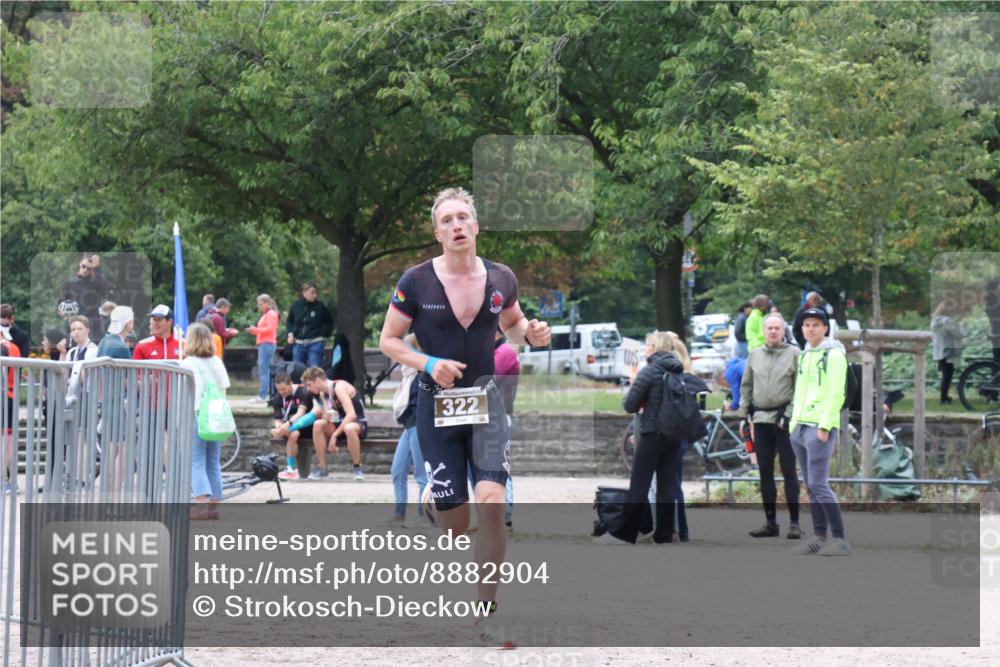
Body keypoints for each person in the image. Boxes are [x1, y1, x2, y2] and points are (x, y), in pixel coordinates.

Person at [378, 186, 550, 644]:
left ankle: (487, 611)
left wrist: (530, 332)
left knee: (492, 505)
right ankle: (437, 497)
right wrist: (429, 363)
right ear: (437, 232)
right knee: (456, 524)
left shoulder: (501, 278)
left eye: (463, 218)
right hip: (434, 404)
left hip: (485, 401)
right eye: (448, 220)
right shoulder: (414, 282)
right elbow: (389, 341)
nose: (457, 226)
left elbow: (512, 324)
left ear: (476, 227)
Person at [594, 331, 688, 546]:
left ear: (655, 347)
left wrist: (636, 387)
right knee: (666, 487)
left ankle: (623, 534)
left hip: (651, 433)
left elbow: (630, 405)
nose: (645, 349)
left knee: (639, 484)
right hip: (673, 435)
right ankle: (664, 535)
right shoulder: (678, 370)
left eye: (648, 345)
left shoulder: (649, 371)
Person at [789, 307, 850, 556]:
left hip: (818, 427)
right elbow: (799, 391)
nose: (810, 329)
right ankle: (818, 536)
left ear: (825, 328)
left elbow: (837, 393)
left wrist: (825, 425)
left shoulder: (833, 355)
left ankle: (840, 539)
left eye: (815, 324)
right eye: (806, 325)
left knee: (818, 483)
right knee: (811, 485)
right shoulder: (805, 354)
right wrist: (794, 424)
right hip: (800, 426)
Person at [739, 313, 802, 539]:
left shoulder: (794, 354)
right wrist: (743, 412)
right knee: (764, 471)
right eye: (770, 328)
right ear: (764, 331)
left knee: (788, 471)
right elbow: (746, 385)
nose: (774, 332)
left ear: (784, 331)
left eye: (777, 328)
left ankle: (795, 523)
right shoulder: (755, 355)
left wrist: (789, 413)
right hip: (761, 421)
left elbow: (800, 388)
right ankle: (770, 522)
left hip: (784, 420)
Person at [181, 323, 230, 520]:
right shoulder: (217, 360)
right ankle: (213, 507)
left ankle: (200, 506)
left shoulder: (188, 363)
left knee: (196, 459)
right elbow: (224, 385)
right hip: (217, 412)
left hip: (198, 411)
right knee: (213, 460)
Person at [387, 334, 427, 525]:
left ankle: (424, 514)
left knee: (421, 475)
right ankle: (399, 512)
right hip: (408, 426)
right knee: (397, 470)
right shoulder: (408, 374)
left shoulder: (422, 373)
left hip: (420, 425)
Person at [302, 366, 367, 480]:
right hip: (341, 424)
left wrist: (334, 436)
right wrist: (326, 414)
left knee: (349, 428)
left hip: (357, 423)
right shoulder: (323, 393)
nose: (308, 389)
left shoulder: (339, 387)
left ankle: (357, 468)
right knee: (318, 425)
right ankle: (323, 469)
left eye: (309, 385)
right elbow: (328, 418)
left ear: (317, 381)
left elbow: (352, 414)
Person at [494, 327, 520, 530]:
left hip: (499, 418)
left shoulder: (504, 352)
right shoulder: (498, 350)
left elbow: (488, 378)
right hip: (489, 417)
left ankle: (506, 515)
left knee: (501, 468)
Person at [270, 372, 315, 481]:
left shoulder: (304, 391)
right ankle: (291, 469)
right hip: (290, 428)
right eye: (278, 389)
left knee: (292, 431)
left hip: (307, 426)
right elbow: (278, 419)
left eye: (284, 389)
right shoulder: (277, 398)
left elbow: (301, 413)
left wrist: (286, 425)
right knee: (292, 433)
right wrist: (278, 428)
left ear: (291, 383)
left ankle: (291, 468)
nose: (281, 392)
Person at [59, 254, 113, 338]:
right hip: (74, 324)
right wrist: (65, 315)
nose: (85, 270)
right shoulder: (69, 283)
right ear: (80, 264)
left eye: (89, 268)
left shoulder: (96, 282)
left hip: (93, 325)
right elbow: (60, 306)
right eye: (83, 266)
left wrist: (97, 269)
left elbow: (107, 293)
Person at [286, 283, 334, 369]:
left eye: (316, 293)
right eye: (312, 292)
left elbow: (329, 321)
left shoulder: (320, 306)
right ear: (305, 293)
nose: (315, 295)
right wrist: (290, 334)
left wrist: (324, 333)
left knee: (315, 371)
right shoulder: (296, 305)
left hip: (315, 343)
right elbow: (289, 321)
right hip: (298, 344)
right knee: (297, 370)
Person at [246, 294, 280, 402]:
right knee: (266, 370)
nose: (259, 306)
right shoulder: (267, 314)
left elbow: (270, 329)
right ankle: (268, 393)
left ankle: (263, 395)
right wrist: (255, 331)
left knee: (264, 370)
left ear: (266, 303)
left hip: (267, 344)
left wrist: (255, 330)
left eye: (260, 304)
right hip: (265, 343)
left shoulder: (271, 314)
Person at [931, 298, 964, 405]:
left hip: (940, 352)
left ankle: (944, 397)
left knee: (945, 375)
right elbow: (959, 334)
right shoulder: (947, 321)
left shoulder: (935, 320)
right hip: (949, 351)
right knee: (947, 376)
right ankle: (944, 399)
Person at [1, 325, 22, 495]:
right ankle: (10, 481)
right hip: (11, 395)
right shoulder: (12, 346)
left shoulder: (3, 348)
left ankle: (9, 482)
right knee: (8, 441)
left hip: (4, 396)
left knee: (6, 443)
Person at [985, 279, 1000, 365]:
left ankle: (996, 376)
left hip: (996, 332)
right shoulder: (995, 298)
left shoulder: (991, 298)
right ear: (996, 287)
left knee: (997, 360)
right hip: (998, 332)